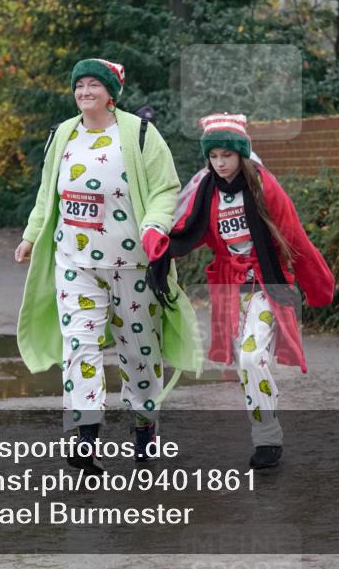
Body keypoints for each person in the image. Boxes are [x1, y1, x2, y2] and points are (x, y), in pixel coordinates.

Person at [14, 58, 201, 473]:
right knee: (79, 345)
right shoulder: (63, 134)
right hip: (75, 263)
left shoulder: (140, 134)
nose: (84, 92)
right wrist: (31, 235)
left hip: (133, 266)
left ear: (110, 93)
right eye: (79, 85)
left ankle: (144, 429)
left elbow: (166, 190)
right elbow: (48, 194)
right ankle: (85, 438)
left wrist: (154, 227)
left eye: (93, 85)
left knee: (139, 355)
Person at [148, 113, 335, 469]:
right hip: (229, 292)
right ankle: (265, 429)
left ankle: (267, 438)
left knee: (252, 357)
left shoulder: (265, 187)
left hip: (266, 284)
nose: (220, 164)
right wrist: (155, 246)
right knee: (245, 365)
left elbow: (295, 238)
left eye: (227, 156)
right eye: (213, 156)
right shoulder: (205, 190)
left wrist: (319, 286)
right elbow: (187, 230)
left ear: (241, 155)